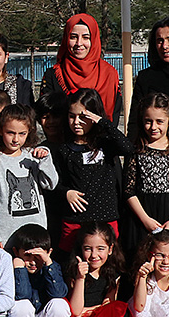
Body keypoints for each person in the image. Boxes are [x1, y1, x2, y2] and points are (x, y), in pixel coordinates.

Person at [54, 88, 134, 250]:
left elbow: (128, 148)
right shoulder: (63, 149)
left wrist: (103, 122)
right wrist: (66, 193)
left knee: (107, 259)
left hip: (105, 218)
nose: (76, 122)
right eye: (72, 116)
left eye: (83, 117)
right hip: (75, 220)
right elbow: (55, 182)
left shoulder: (105, 143)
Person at [57, 222, 137, 317]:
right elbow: (76, 310)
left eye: (100, 249)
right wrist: (80, 278)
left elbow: (109, 305)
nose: (94, 255)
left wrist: (90, 310)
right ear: (81, 249)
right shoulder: (73, 271)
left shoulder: (113, 272)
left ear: (110, 249)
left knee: (120, 308)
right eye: (88, 249)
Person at [122, 93, 169, 259]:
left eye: (159, 121)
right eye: (148, 121)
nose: (153, 127)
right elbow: (128, 191)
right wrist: (145, 220)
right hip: (143, 217)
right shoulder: (136, 151)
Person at [0, 104, 58, 248]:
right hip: (5, 237)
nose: (16, 139)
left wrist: (45, 160)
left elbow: (50, 184)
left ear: (29, 132)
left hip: (35, 233)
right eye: (10, 133)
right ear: (0, 130)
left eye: (22, 134)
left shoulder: (33, 155)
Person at [6, 224, 71, 317]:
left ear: (49, 253)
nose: (33, 262)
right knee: (22, 304)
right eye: (27, 256)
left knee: (60, 304)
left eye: (38, 257)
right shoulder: (13, 269)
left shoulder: (52, 267)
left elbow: (58, 293)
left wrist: (48, 263)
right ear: (16, 252)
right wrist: (19, 268)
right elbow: (22, 295)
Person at [39, 12, 121, 121]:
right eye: (73, 37)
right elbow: (46, 116)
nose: (79, 43)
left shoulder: (109, 74)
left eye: (85, 37)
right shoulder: (54, 75)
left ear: (94, 40)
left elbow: (114, 115)